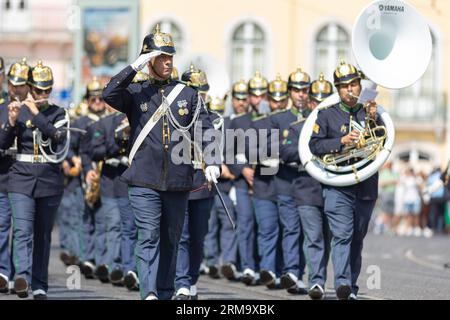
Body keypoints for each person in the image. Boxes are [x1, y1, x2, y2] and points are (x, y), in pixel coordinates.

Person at [102, 24, 220, 300]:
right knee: (149, 235)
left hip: (179, 180)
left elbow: (204, 128)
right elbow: (108, 94)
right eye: (161, 57)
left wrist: (212, 160)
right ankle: (150, 293)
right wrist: (134, 66)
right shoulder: (136, 92)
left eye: (170, 57)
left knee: (171, 240)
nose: (168, 62)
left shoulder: (188, 94)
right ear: (149, 59)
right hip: (144, 178)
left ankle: (165, 292)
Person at [309, 61, 381, 300]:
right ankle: (343, 284)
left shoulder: (371, 112)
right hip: (337, 185)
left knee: (357, 239)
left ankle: (350, 284)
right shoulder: (327, 115)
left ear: (360, 86)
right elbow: (315, 145)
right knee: (342, 235)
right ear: (337, 89)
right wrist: (341, 141)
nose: (350, 89)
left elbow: (382, 144)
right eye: (344, 86)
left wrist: (374, 120)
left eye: (353, 84)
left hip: (365, 186)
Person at [0, 60, 68, 299]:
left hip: (49, 180)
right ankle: (22, 277)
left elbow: (58, 136)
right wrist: (10, 123)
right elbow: (2, 144)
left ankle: (40, 284)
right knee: (22, 230)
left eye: (47, 89)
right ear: (30, 88)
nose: (43, 94)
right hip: (20, 178)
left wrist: (37, 114)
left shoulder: (59, 112)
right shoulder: (17, 110)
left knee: (42, 235)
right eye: (38, 90)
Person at [280, 73, 333, 300]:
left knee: (328, 238)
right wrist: (314, 149)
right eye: (316, 100)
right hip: (307, 187)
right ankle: (316, 281)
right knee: (313, 237)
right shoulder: (298, 127)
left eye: (325, 100)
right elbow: (286, 152)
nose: (318, 105)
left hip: (333, 187)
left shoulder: (336, 125)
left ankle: (318, 277)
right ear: (310, 102)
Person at [270, 68, 311, 294]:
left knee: (307, 231)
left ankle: (301, 272)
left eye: (304, 90)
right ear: (289, 93)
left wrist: (293, 151)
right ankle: (292, 271)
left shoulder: (316, 116)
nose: (301, 95)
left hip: (308, 181)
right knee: (291, 229)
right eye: (296, 90)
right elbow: (276, 149)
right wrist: (304, 152)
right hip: (286, 179)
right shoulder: (278, 119)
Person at [250, 75, 288, 290]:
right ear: (268, 100)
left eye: (282, 100)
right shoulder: (258, 123)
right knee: (267, 229)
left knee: (286, 231)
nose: (278, 104)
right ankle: (268, 269)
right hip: (264, 184)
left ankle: (284, 271)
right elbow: (250, 151)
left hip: (286, 184)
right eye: (274, 100)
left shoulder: (292, 121)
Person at [0, 58, 30, 294]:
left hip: (26, 177)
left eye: (20, 84)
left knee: (21, 229)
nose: (15, 88)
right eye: (12, 83)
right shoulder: (1, 107)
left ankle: (21, 274)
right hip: (3, 174)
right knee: (1, 226)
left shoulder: (34, 109)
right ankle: (3, 272)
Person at [226, 80, 258, 285]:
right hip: (241, 181)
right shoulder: (231, 122)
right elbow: (228, 154)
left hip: (262, 179)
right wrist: (243, 169)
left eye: (243, 98)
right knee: (245, 223)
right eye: (237, 98)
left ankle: (263, 266)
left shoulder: (255, 119)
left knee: (265, 226)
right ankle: (247, 265)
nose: (241, 102)